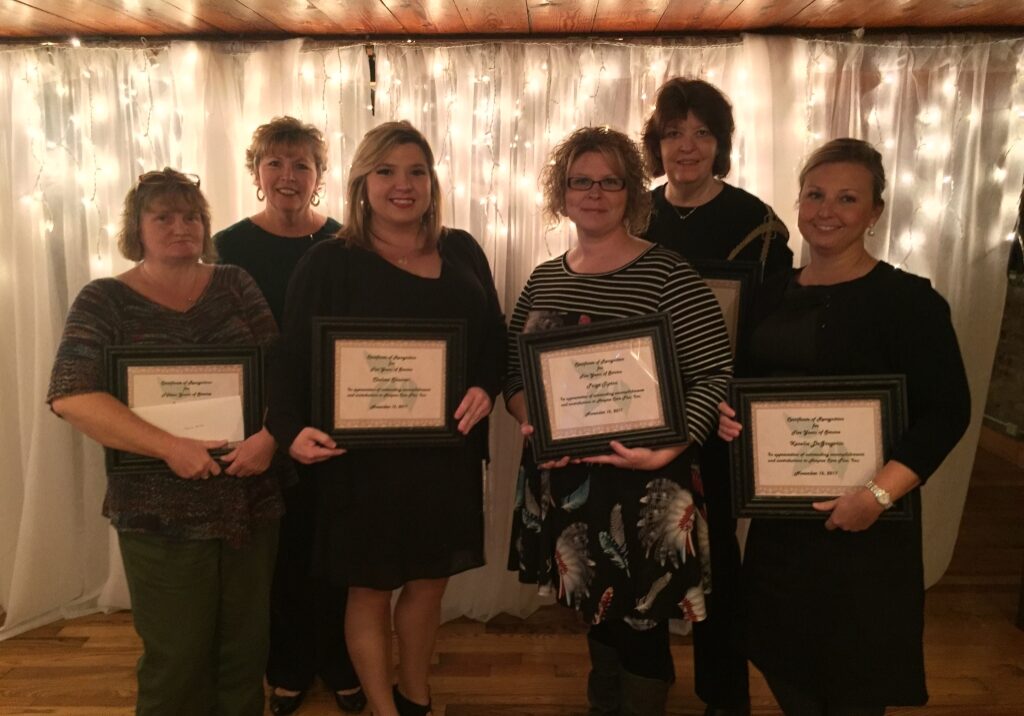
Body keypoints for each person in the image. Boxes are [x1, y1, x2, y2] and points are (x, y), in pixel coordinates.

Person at [717, 138, 971, 715]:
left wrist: (877, 495)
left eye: (847, 198)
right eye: (815, 195)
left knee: (855, 680)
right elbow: (746, 386)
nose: (826, 210)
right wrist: (732, 419)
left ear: (875, 211)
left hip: (866, 531)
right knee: (783, 660)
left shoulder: (910, 302)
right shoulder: (769, 293)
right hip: (781, 528)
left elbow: (947, 412)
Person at [266, 120, 506, 716]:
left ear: (432, 181)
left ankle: (415, 696)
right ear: (362, 182)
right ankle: (382, 707)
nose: (404, 184)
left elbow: (494, 338)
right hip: (361, 461)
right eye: (387, 171)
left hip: (444, 454)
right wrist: (288, 431)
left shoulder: (463, 249)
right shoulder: (328, 262)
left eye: (417, 171)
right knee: (369, 589)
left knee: (428, 584)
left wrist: (486, 385)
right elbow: (291, 357)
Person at [504, 126, 734, 715]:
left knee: (642, 622)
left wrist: (669, 448)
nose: (595, 193)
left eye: (610, 182)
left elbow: (714, 373)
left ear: (632, 192)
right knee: (597, 609)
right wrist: (532, 419)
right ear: (561, 193)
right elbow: (514, 373)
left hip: (646, 482)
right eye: (581, 181)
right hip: (568, 480)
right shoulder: (544, 277)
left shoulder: (668, 274)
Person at [47, 168, 289, 715]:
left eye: (192, 216)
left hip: (249, 497)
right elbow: (71, 395)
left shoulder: (236, 284)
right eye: (164, 217)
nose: (182, 227)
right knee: (176, 658)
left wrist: (271, 437)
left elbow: (280, 372)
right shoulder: (104, 299)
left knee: (246, 651)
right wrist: (169, 447)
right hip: (157, 511)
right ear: (137, 228)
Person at [640, 77, 793, 716]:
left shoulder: (757, 224)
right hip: (644, 415)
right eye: (674, 132)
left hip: (722, 418)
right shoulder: (633, 213)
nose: (687, 146)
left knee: (716, 557)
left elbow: (772, 327)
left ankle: (724, 696)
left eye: (702, 133)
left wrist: (741, 401)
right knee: (645, 542)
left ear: (721, 142)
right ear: (656, 143)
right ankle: (643, 682)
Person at [214, 116, 364, 715]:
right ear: (256, 172)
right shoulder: (226, 247)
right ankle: (289, 663)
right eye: (274, 162)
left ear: (319, 176)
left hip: (333, 420)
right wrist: (270, 429)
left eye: (302, 164)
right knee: (280, 552)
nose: (288, 175)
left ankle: (339, 657)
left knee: (334, 545)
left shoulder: (347, 242)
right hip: (258, 425)